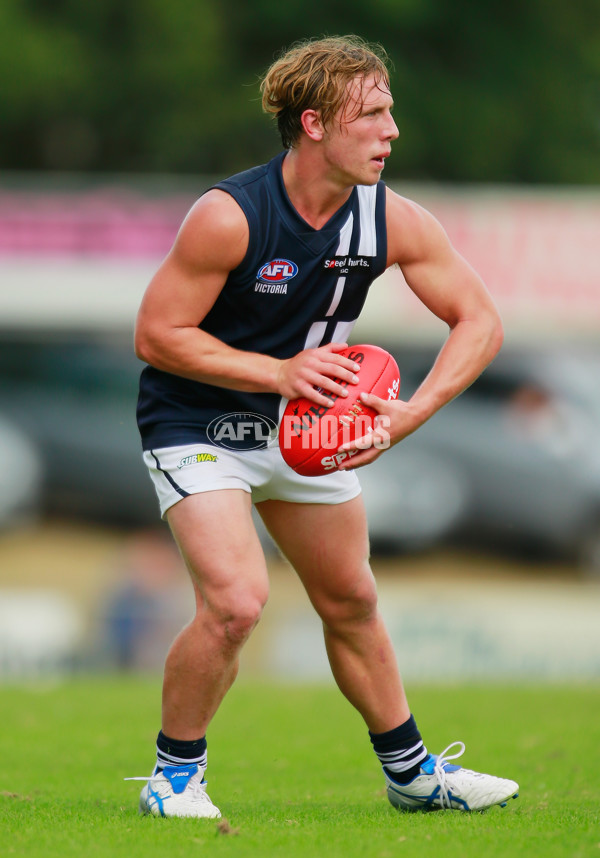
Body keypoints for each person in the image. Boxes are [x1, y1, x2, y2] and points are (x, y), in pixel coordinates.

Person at [129, 35, 518, 817]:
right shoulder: (230, 215)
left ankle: (412, 775)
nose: (392, 130)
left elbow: (479, 320)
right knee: (238, 601)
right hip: (198, 420)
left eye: (391, 111)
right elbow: (158, 334)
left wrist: (414, 410)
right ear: (314, 124)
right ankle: (173, 780)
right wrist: (275, 372)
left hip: (305, 429)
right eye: (372, 114)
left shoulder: (390, 218)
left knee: (351, 599)